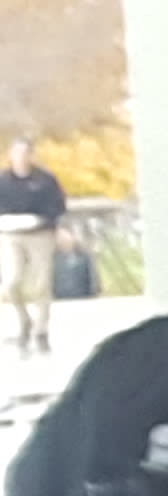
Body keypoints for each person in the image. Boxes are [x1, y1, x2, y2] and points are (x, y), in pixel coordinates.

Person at [0, 135, 66, 355]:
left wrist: (45, 221)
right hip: (10, 235)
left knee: (41, 284)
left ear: (31, 155)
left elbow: (57, 206)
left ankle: (41, 329)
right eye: (16, 153)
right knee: (11, 282)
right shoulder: (3, 181)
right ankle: (24, 320)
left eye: (24, 153)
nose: (20, 158)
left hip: (40, 234)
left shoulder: (45, 180)